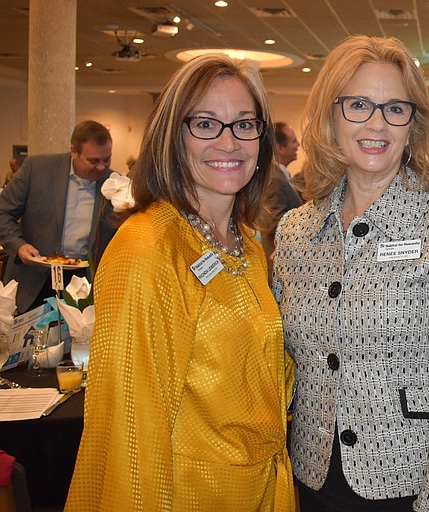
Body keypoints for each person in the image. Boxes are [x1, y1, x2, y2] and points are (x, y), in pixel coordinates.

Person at [272, 35, 429, 511]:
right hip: (310, 480)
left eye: (395, 108)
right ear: (330, 115)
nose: (376, 123)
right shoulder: (295, 231)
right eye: (358, 104)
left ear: (412, 123)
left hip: (413, 487)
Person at [65, 54, 296, 511]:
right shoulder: (147, 248)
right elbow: (129, 432)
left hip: (261, 490)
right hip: (186, 494)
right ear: (173, 136)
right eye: (206, 124)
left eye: (244, 124)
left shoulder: (247, 245)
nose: (229, 143)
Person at [0, 121, 117, 312]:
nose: (101, 167)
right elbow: (3, 212)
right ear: (74, 152)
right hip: (36, 278)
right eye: (93, 161)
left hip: (84, 284)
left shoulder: (114, 184)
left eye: (107, 159)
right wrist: (19, 246)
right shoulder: (36, 169)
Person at [262, 122, 303, 269]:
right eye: (293, 141)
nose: (298, 144)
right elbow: (275, 223)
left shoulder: (281, 175)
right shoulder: (275, 178)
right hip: (280, 261)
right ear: (279, 148)